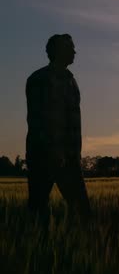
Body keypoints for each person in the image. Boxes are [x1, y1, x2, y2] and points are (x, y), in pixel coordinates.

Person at [25, 34, 91, 218]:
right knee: (38, 210)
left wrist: (74, 154)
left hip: (69, 156)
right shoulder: (40, 79)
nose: (74, 52)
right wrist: (54, 150)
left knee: (82, 212)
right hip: (43, 155)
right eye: (70, 48)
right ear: (57, 51)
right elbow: (38, 118)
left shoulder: (71, 81)